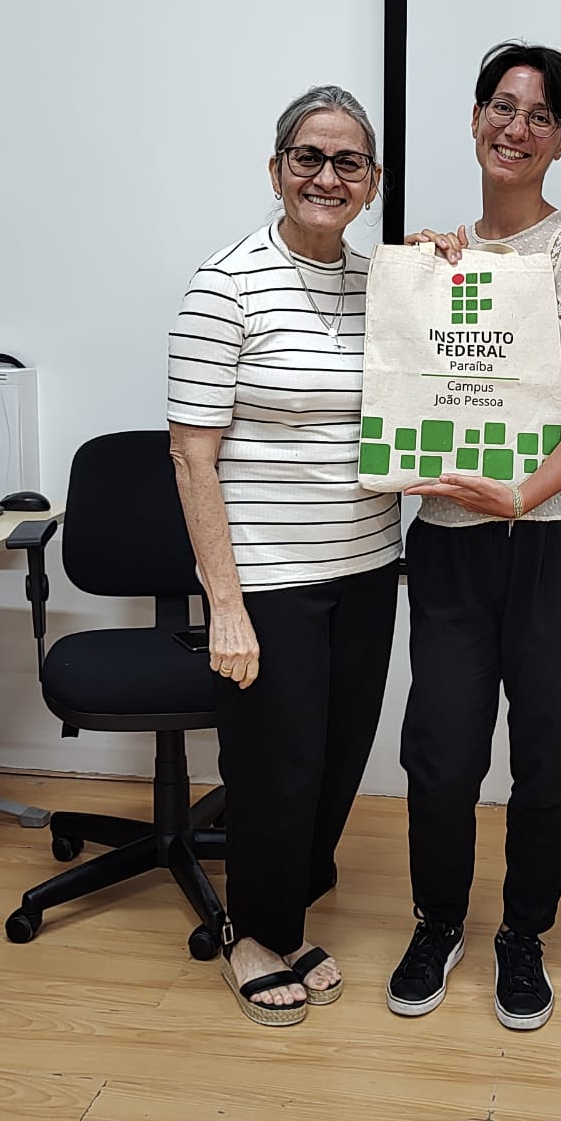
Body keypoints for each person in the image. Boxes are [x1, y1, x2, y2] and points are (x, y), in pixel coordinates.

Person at [386, 42, 561, 1031]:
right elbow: (409, 392)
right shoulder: (436, 260)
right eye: (502, 106)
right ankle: (438, 921)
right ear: (475, 119)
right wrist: (415, 287)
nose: (516, 127)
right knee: (442, 754)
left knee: (545, 756)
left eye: (540, 115)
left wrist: (523, 495)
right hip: (452, 542)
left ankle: (522, 934)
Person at [167, 86, 401, 1026]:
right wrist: (225, 604)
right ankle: (253, 936)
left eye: (349, 162)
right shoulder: (226, 284)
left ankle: (287, 914)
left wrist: (450, 270)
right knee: (278, 769)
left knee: (339, 759)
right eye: (309, 157)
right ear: (276, 170)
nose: (327, 177)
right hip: (269, 577)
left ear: (372, 181)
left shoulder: (382, 285)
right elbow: (192, 455)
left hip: (370, 565)